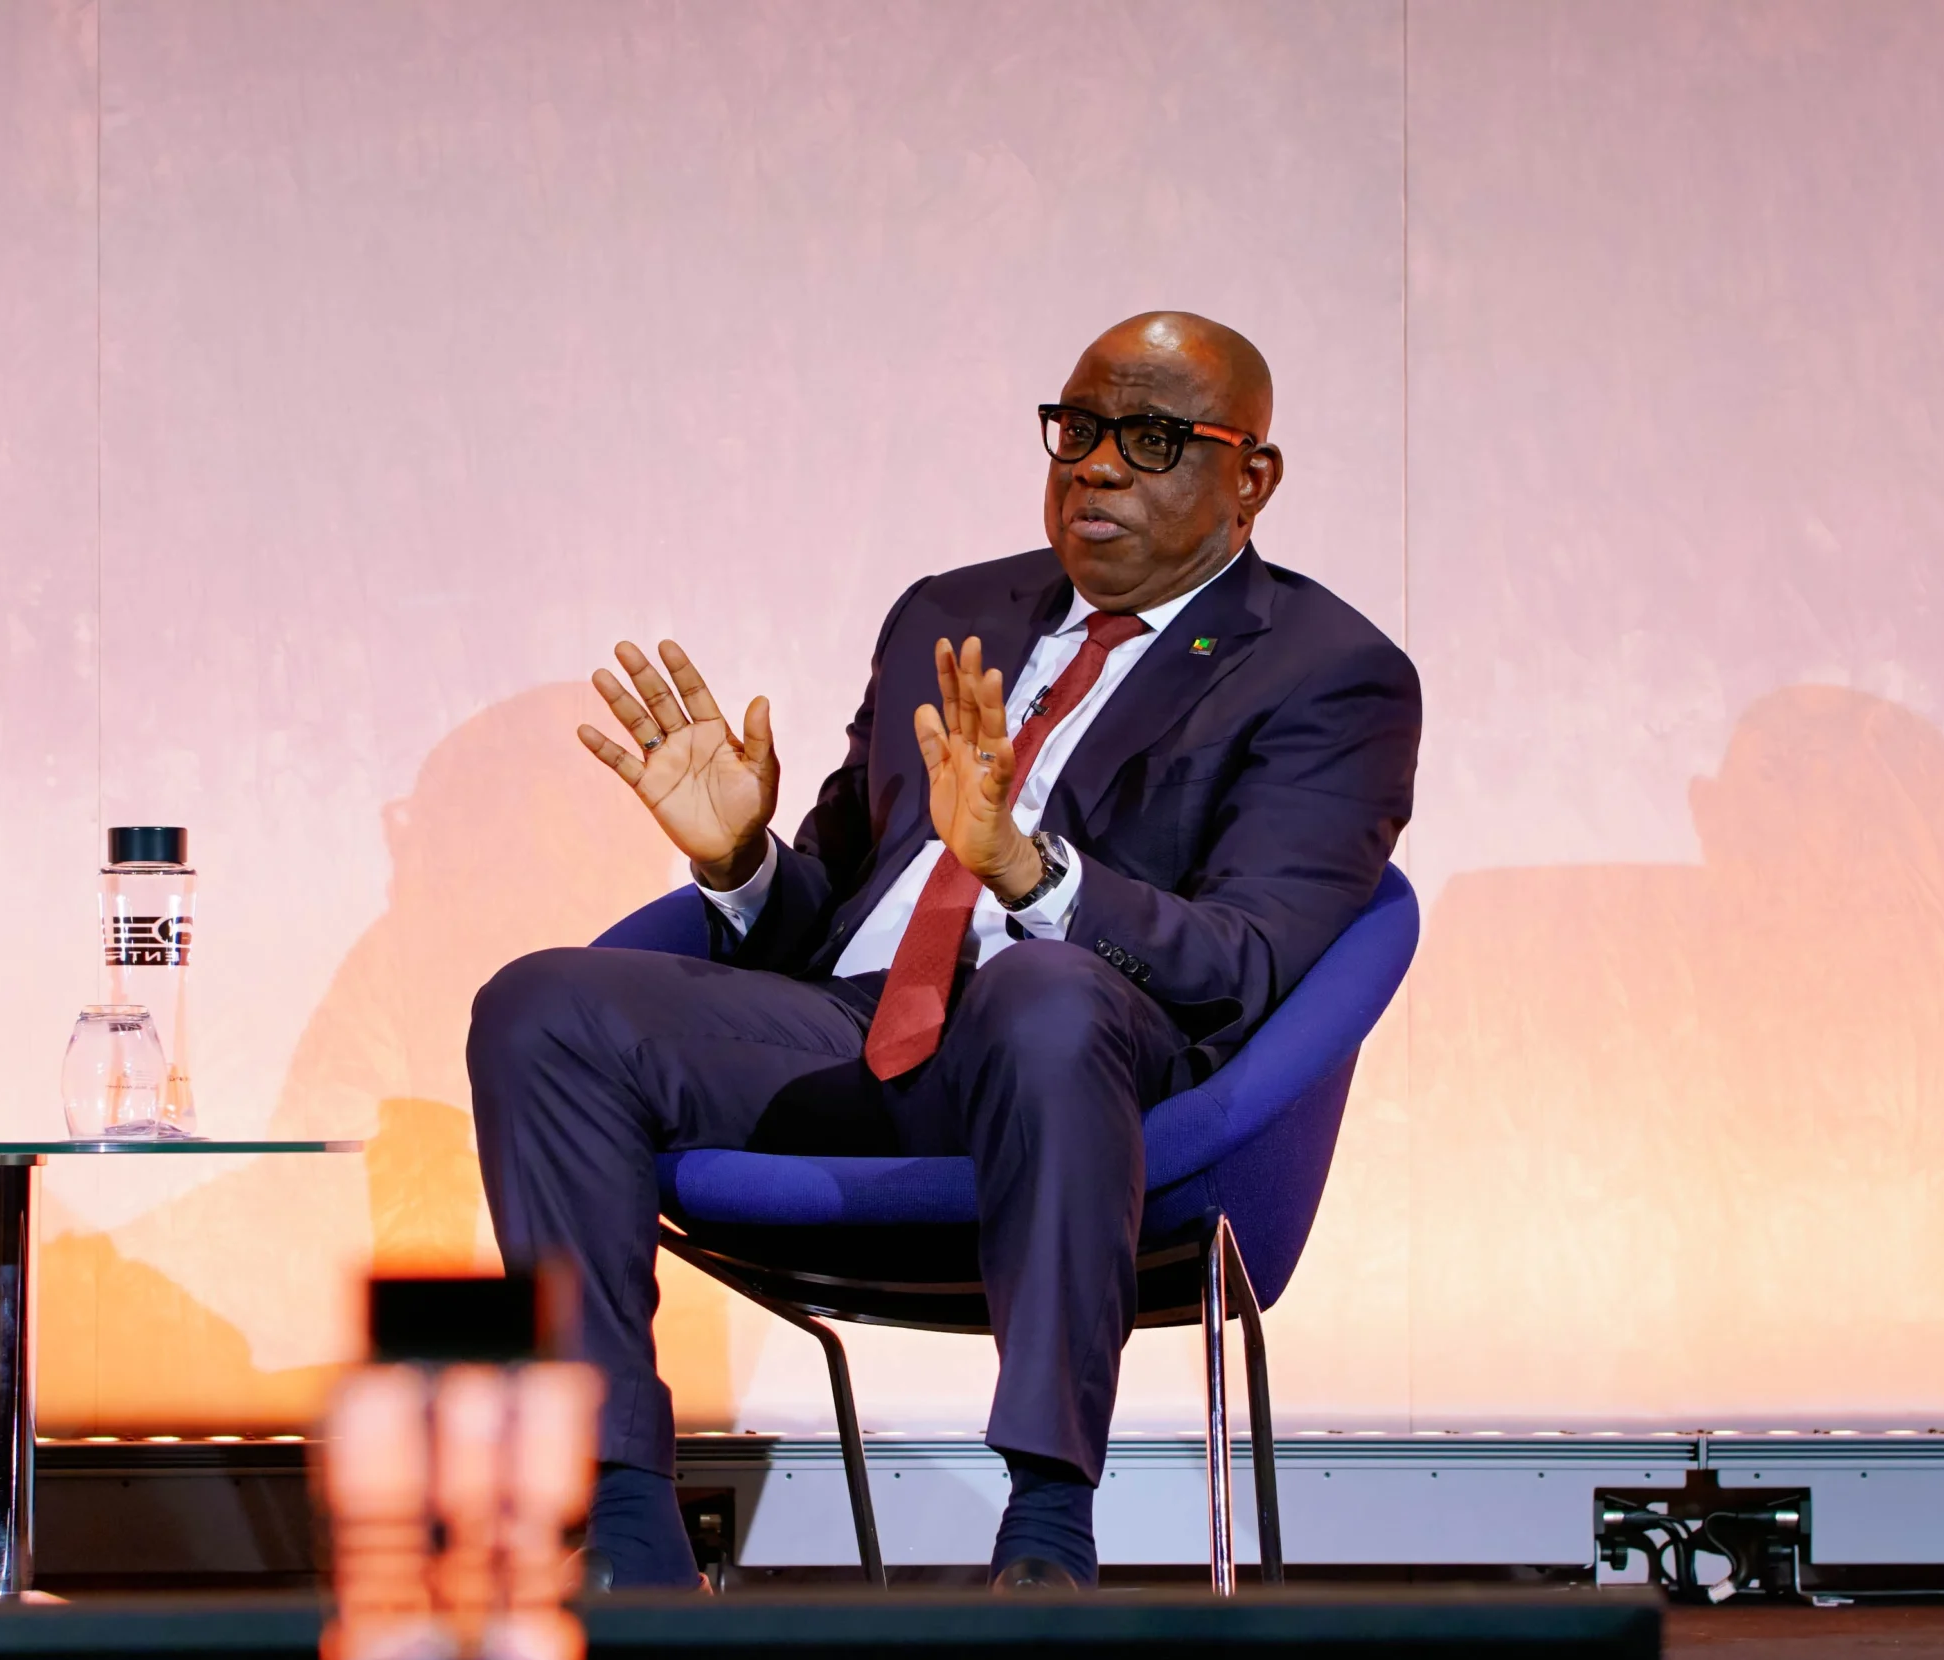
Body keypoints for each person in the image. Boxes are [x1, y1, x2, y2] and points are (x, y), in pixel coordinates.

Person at [468, 312, 1422, 1589]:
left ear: (1251, 477)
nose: (1094, 467)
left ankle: (1044, 1528)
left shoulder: (1328, 671)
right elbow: (833, 909)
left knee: (1041, 996)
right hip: (847, 1031)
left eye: (1148, 439)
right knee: (541, 1007)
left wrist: (1028, 871)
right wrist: (741, 860)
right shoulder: (949, 612)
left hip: (1085, 1067)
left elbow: (1247, 962)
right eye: (1076, 430)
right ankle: (624, 1525)